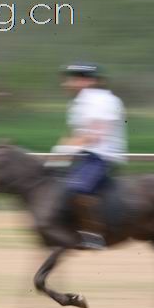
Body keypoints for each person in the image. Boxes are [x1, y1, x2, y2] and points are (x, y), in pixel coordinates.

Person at [51, 63, 127, 250]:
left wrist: (63, 149)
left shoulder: (103, 101)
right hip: (86, 154)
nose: (67, 83)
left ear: (88, 81)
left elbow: (96, 135)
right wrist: (59, 153)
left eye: (73, 78)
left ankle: (94, 234)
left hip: (102, 156)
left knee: (78, 189)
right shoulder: (79, 102)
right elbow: (77, 134)